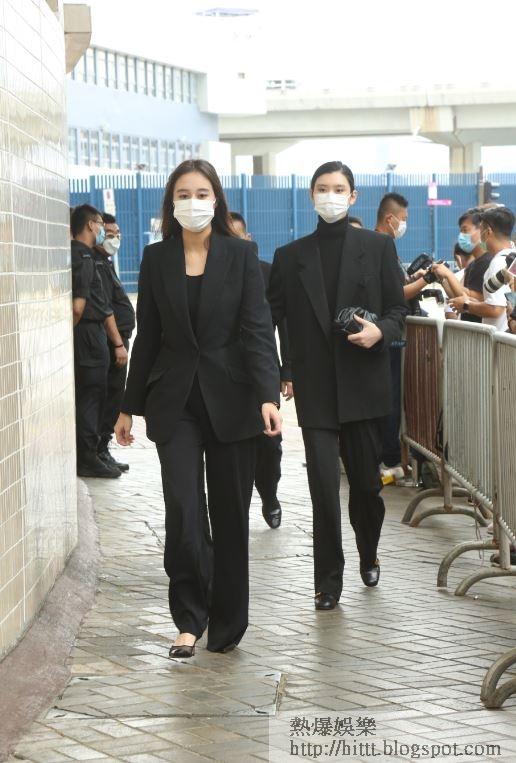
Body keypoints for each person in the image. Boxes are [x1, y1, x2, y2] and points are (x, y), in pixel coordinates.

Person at [115, 160, 281, 657]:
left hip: (233, 400)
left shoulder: (241, 255)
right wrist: (128, 406)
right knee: (184, 512)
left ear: (216, 199)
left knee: (229, 516)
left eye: (202, 193)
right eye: (183, 194)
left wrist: (268, 396)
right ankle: (189, 618)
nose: (193, 202)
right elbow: (148, 336)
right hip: (175, 403)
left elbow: (257, 330)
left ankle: (227, 622)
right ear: (172, 203)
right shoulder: (155, 257)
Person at [268, 161, 406, 610]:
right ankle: (328, 581)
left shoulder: (378, 247)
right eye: (323, 188)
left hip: (364, 386)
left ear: (352, 196)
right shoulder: (290, 257)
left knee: (365, 488)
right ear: (312, 195)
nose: (331, 195)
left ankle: (369, 550)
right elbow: (266, 319)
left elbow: (398, 311)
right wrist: (276, 370)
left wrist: (379, 332)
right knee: (324, 492)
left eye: (339, 188)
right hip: (317, 391)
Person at [229, 211, 290, 529]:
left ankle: (269, 494)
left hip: (261, 373)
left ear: (248, 238)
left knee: (268, 444)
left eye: (236, 236)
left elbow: (284, 323)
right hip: (223, 376)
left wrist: (287, 370)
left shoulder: (266, 273)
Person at [71, 205, 124, 478]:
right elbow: (78, 308)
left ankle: (93, 454)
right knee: (92, 397)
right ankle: (89, 458)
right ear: (91, 225)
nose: (103, 230)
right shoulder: (83, 257)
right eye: (101, 224)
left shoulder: (85, 255)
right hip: (89, 337)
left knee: (95, 396)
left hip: (91, 337)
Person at [91, 213, 135, 472]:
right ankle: (98, 449)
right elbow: (105, 308)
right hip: (112, 342)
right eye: (109, 234)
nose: (114, 239)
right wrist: (117, 344)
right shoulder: (95, 264)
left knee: (115, 394)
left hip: (120, 339)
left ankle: (103, 448)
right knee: (108, 395)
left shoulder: (105, 263)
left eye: (117, 234)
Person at [448, 207, 514, 330]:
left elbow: (495, 309)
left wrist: (466, 305)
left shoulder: (498, 263)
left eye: (481, 230)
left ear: (488, 232)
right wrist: (471, 301)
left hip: (499, 336)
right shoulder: (510, 258)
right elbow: (497, 302)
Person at [433, 208, 489, 324]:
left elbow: (473, 299)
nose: (461, 236)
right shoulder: (473, 264)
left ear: (481, 229)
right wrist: (443, 279)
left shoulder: (487, 262)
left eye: (465, 230)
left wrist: (448, 274)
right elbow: (458, 297)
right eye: (461, 231)